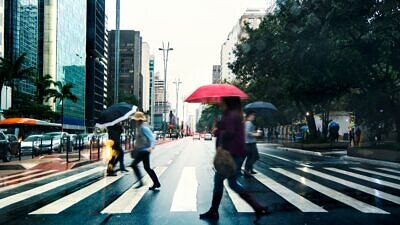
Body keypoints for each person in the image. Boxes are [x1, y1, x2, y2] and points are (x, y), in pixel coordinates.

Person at [199, 97, 268, 222]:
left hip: (233, 153)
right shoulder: (232, 114)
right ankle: (257, 208)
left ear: (228, 102)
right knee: (230, 182)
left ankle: (214, 211)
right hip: (235, 153)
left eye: (222, 101)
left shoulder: (232, 115)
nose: (220, 103)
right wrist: (219, 127)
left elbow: (229, 133)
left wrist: (219, 130)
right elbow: (226, 130)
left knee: (223, 181)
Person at [130, 112, 161, 190]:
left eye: (136, 120)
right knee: (147, 168)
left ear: (140, 120)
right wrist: (134, 148)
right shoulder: (139, 128)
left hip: (144, 151)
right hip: (141, 151)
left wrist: (151, 147)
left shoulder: (144, 128)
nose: (135, 121)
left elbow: (152, 138)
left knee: (134, 165)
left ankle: (141, 182)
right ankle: (156, 183)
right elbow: (139, 140)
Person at [244, 111, 260, 177]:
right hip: (250, 143)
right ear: (249, 116)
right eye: (253, 115)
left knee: (250, 157)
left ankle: (249, 169)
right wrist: (256, 134)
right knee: (256, 156)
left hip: (249, 142)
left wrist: (255, 131)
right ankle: (247, 169)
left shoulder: (249, 123)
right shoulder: (248, 123)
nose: (254, 117)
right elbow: (247, 132)